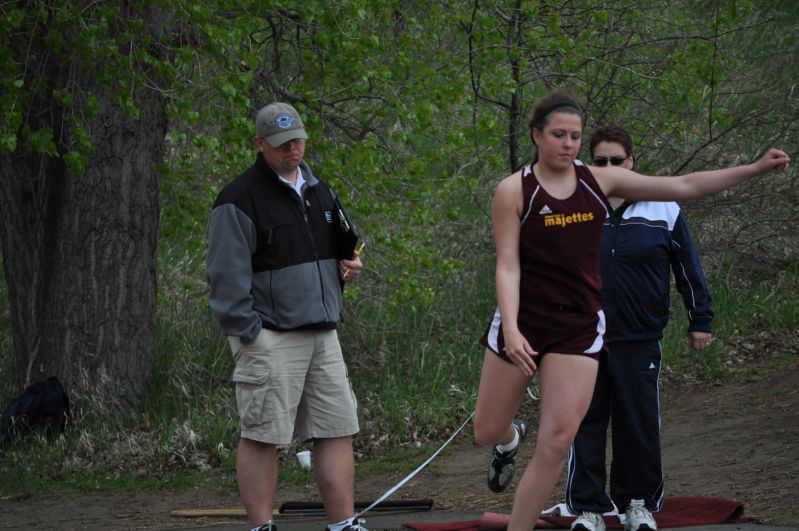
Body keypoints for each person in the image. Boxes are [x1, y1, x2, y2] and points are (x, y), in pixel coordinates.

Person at [472, 90, 789, 531]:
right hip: (523, 321)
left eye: (575, 136)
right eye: (559, 135)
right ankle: (509, 439)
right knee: (486, 430)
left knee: (559, 439)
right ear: (536, 136)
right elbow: (507, 264)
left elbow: (685, 185)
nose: (568, 144)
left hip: (579, 326)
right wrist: (510, 328)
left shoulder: (599, 181)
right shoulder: (513, 190)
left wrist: (753, 169)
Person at [206, 102, 367, 531]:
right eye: (280, 144)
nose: (291, 149)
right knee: (264, 435)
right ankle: (262, 526)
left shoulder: (320, 191)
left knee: (336, 428)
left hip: (323, 330)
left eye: (296, 139)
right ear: (260, 145)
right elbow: (224, 278)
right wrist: (250, 334)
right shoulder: (238, 199)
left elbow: (337, 253)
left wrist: (346, 271)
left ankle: (343, 523)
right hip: (270, 337)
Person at [566, 126, 714, 531]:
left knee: (639, 422)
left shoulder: (663, 207)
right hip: (584, 338)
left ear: (631, 162)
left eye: (617, 160)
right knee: (584, 421)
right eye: (600, 161)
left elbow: (687, 267)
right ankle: (589, 508)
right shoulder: (577, 207)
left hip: (639, 335)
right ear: (588, 164)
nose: (609, 168)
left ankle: (637, 504)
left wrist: (699, 318)